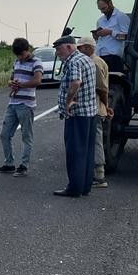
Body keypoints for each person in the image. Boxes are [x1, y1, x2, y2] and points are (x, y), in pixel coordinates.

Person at [52, 35, 97, 197]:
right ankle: (85, 186)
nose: (58, 53)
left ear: (69, 47)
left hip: (77, 113)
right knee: (87, 151)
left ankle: (74, 188)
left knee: (75, 151)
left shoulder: (74, 62)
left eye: (59, 49)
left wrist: (68, 101)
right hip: (90, 112)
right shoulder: (87, 59)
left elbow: (76, 82)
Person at [0, 37, 43, 177]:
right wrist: (12, 83)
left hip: (26, 105)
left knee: (26, 136)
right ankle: (9, 164)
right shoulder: (17, 61)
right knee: (4, 135)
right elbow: (11, 78)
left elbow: (37, 80)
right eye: (17, 55)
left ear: (27, 50)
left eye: (21, 54)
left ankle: (23, 166)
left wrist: (21, 85)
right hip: (13, 103)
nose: (20, 57)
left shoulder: (36, 62)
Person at [77, 35, 111, 188]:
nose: (79, 50)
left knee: (95, 140)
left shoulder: (94, 62)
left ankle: (99, 175)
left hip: (95, 107)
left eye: (81, 47)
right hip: (96, 106)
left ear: (89, 47)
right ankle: (94, 173)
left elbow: (101, 87)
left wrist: (106, 105)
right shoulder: (97, 61)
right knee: (93, 139)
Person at [94, 0, 130, 73]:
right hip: (100, 56)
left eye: (104, 8)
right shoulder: (100, 20)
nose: (102, 12)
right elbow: (100, 40)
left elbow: (127, 37)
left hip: (113, 58)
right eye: (100, 9)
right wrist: (96, 36)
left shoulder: (121, 16)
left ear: (110, 4)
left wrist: (110, 32)